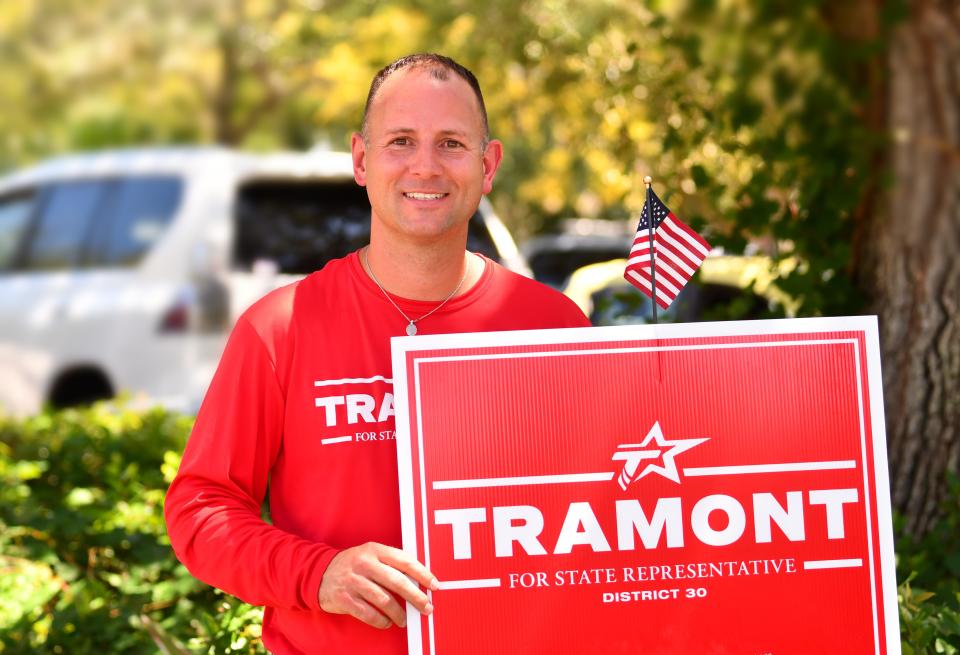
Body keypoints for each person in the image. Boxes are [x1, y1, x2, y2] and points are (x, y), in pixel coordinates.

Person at [164, 53, 590, 655]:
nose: (426, 165)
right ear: (361, 160)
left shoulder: (553, 326)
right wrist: (318, 575)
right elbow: (200, 509)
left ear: (487, 165)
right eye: (400, 141)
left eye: (451, 143)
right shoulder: (280, 328)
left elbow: (616, 510)